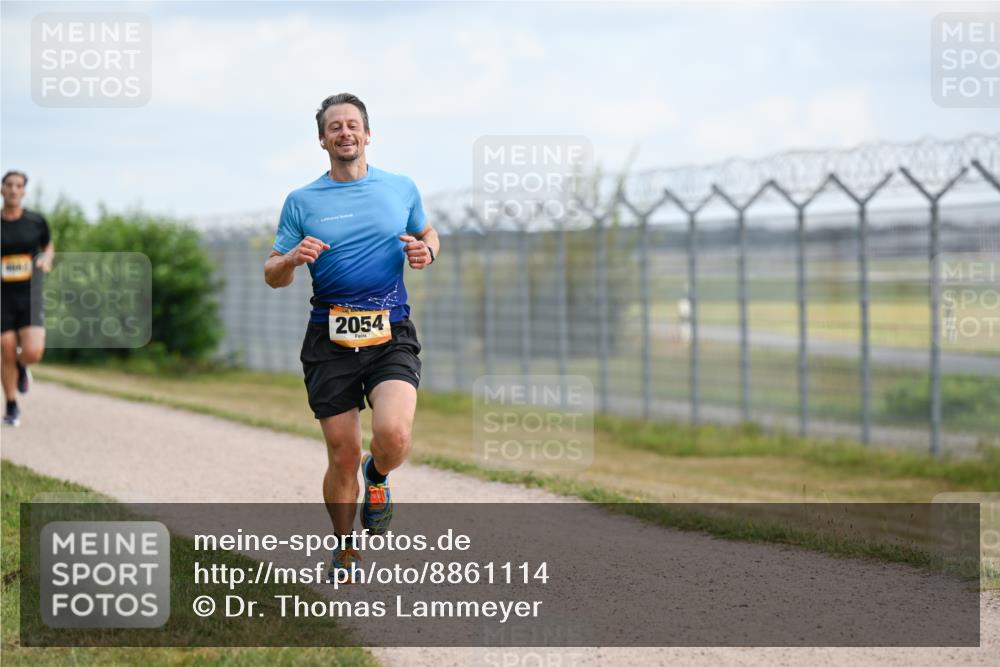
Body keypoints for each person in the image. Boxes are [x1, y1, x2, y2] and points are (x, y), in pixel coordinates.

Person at [264, 93, 440, 581]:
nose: (345, 133)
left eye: (353, 125)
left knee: (394, 435)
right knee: (341, 453)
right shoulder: (302, 201)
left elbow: (429, 235)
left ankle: (378, 477)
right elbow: (272, 273)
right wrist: (292, 259)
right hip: (329, 336)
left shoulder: (399, 188)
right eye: (334, 127)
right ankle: (344, 548)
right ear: (322, 139)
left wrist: (427, 252)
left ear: (367, 133)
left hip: (390, 331)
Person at [1, 171, 53, 427]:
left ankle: (22, 367)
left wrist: (46, 259)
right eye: (8, 185)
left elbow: (48, 245)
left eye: (18, 186)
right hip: (2, 298)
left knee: (33, 351)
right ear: (1, 190)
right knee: (7, 349)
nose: (13, 190)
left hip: (29, 294)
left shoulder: (36, 221)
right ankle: (11, 405)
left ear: (23, 192)